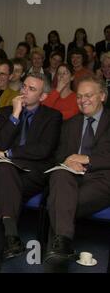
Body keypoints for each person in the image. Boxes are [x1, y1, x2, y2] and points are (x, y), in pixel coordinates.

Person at [0, 73, 62, 273]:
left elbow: (43, 149)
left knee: (4, 190)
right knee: (5, 173)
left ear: (42, 97)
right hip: (3, 170)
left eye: (32, 89)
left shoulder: (53, 116)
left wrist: (9, 153)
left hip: (32, 173)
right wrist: (15, 115)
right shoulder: (6, 111)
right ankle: (10, 236)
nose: (24, 91)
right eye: (24, 86)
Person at [44, 76, 110, 272]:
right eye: (79, 96)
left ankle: (57, 262)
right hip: (70, 178)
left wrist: (87, 159)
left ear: (103, 96)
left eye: (89, 95)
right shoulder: (70, 124)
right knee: (59, 176)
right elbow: (59, 155)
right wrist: (67, 162)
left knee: (58, 204)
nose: (83, 100)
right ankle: (62, 244)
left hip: (101, 181)